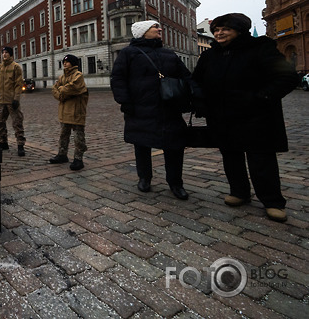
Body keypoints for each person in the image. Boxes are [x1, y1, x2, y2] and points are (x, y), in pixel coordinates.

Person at [192, 13, 296, 222]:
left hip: (256, 116)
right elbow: (196, 82)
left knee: (261, 160)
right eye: (217, 30)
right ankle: (239, 192)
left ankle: (272, 201)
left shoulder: (260, 48)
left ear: (239, 30)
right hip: (222, 116)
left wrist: (261, 97)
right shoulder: (209, 56)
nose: (219, 33)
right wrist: (201, 102)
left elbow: (287, 77)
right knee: (231, 156)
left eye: (225, 29)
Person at [110, 20, 192, 200]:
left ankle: (175, 183)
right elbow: (118, 79)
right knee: (142, 145)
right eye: (155, 27)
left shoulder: (169, 53)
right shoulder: (128, 53)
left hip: (169, 109)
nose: (160, 29)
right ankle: (144, 178)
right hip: (140, 109)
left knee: (175, 147)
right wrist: (125, 102)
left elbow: (186, 77)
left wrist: (188, 99)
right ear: (143, 32)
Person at [50, 54, 89, 170]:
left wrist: (61, 90)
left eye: (67, 62)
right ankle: (62, 154)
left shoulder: (78, 75)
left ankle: (78, 159)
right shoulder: (62, 77)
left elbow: (72, 88)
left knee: (78, 136)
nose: (65, 64)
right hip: (65, 111)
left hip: (76, 111)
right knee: (63, 135)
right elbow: (54, 89)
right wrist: (61, 94)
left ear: (73, 63)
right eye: (64, 62)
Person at [0, 46, 26, 156]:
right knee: (0, 122)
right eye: (3, 52)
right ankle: (3, 142)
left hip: (11, 101)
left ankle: (20, 145)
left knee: (17, 122)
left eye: (6, 52)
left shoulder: (16, 67)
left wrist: (16, 99)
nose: (4, 54)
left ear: (11, 54)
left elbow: (18, 84)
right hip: (1, 101)